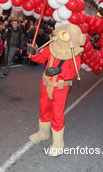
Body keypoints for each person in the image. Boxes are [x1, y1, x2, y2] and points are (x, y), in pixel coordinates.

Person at [27, 23, 85, 157]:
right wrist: (34, 54)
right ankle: (43, 133)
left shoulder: (74, 53)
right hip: (45, 84)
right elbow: (42, 58)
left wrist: (60, 71)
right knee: (43, 108)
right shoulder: (52, 47)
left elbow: (74, 72)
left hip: (60, 88)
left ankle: (58, 142)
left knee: (57, 114)